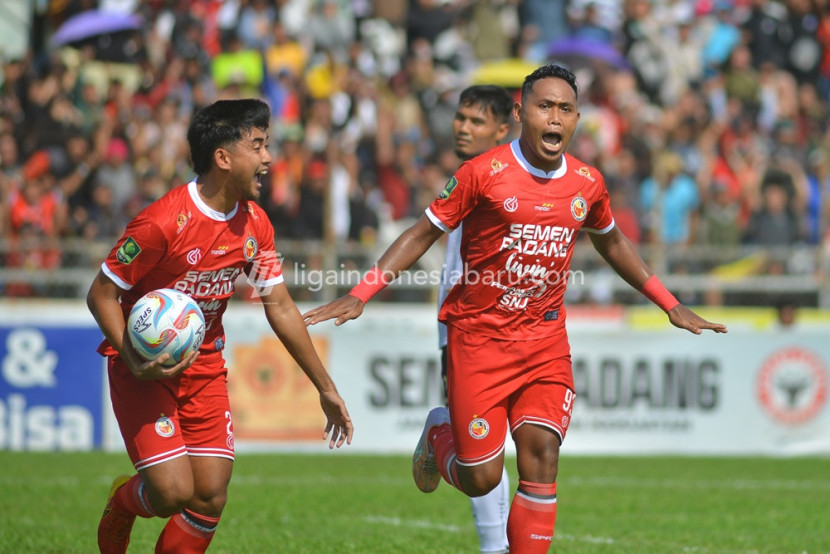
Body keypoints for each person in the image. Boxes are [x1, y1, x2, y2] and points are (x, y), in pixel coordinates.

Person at [303, 65, 727, 553]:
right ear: (522, 113)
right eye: (545, 106)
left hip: (544, 340)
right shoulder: (482, 173)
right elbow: (423, 233)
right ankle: (439, 433)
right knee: (481, 477)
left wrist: (669, 304)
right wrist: (362, 292)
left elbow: (612, 243)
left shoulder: (588, 183)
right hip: (479, 339)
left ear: (577, 119)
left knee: (542, 454)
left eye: (565, 109)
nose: (555, 117)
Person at [87, 98, 353, 554]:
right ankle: (124, 501)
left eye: (267, 145)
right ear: (223, 158)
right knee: (172, 493)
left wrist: (324, 387)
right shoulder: (160, 222)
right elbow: (101, 295)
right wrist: (134, 356)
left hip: (204, 365)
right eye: (258, 146)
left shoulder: (256, 225)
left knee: (209, 496)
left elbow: (281, 307)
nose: (269, 158)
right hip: (142, 368)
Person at [437, 84, 514, 554]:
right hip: (470, 329)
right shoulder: (470, 178)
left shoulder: (516, 178)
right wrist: (447, 336)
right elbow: (450, 269)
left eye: (476, 121)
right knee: (484, 450)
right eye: (460, 117)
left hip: (525, 331)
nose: (463, 127)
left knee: (522, 447)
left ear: (503, 130)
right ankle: (494, 547)